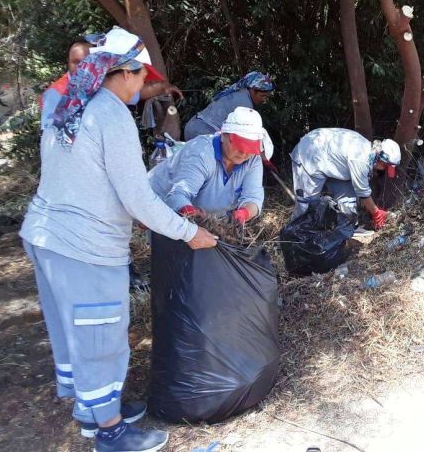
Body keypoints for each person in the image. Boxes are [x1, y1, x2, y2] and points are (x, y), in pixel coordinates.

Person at [19, 29, 218, 452]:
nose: (142, 84)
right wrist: (188, 232)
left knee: (76, 332)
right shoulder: (110, 114)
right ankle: (109, 432)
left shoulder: (72, 102)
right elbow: (136, 196)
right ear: (124, 73)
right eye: (141, 76)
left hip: (46, 234)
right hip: (82, 246)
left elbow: (90, 178)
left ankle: (93, 411)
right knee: (100, 335)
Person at [40, 31, 183, 130]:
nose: (82, 66)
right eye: (75, 62)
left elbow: (135, 94)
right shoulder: (55, 94)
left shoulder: (100, 82)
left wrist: (164, 87)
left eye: (87, 60)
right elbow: (53, 138)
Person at [149, 107, 267, 222]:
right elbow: (178, 195)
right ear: (223, 135)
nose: (244, 153)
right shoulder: (202, 153)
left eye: (250, 147)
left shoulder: (252, 159)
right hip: (158, 205)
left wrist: (243, 213)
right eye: (239, 145)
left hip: (206, 217)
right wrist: (192, 213)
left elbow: (253, 198)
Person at [289, 128, 401, 230]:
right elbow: (363, 193)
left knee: (348, 201)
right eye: (385, 167)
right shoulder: (360, 159)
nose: (383, 170)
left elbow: (361, 192)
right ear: (379, 158)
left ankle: (344, 231)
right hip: (310, 155)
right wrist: (376, 213)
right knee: (307, 206)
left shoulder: (368, 152)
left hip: (331, 162)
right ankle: (295, 236)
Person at [183, 70, 275, 141]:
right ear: (252, 90)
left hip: (193, 125)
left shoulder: (237, 92)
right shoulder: (245, 105)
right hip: (204, 133)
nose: (264, 100)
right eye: (262, 96)